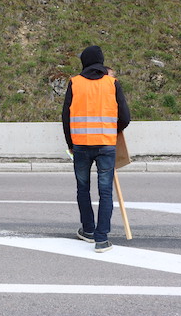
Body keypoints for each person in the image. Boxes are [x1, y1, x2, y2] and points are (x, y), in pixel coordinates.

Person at [62, 45, 130, 253]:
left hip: (81, 145)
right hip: (105, 144)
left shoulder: (75, 83)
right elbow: (125, 117)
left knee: (83, 188)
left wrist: (70, 143)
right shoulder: (112, 83)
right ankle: (102, 239)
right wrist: (112, 130)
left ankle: (88, 230)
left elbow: (66, 117)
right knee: (105, 191)